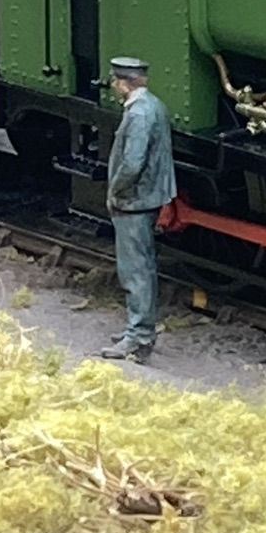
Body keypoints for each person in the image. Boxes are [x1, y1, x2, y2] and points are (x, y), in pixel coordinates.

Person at [101, 56, 176, 363]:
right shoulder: (154, 105)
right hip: (148, 196)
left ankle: (138, 337)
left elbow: (132, 163)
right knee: (142, 267)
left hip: (135, 199)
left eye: (115, 81)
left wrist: (115, 190)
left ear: (124, 84)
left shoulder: (138, 114)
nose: (113, 85)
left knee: (135, 271)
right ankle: (137, 329)